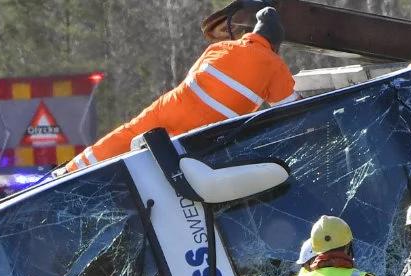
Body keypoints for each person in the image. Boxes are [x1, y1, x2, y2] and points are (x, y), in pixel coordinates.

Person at [64, 6, 296, 172]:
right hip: (207, 132)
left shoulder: (223, 46)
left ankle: (71, 170)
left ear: (251, 33)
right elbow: (292, 109)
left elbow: (193, 73)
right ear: (275, 44)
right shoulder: (276, 67)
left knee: (128, 133)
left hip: (174, 106)